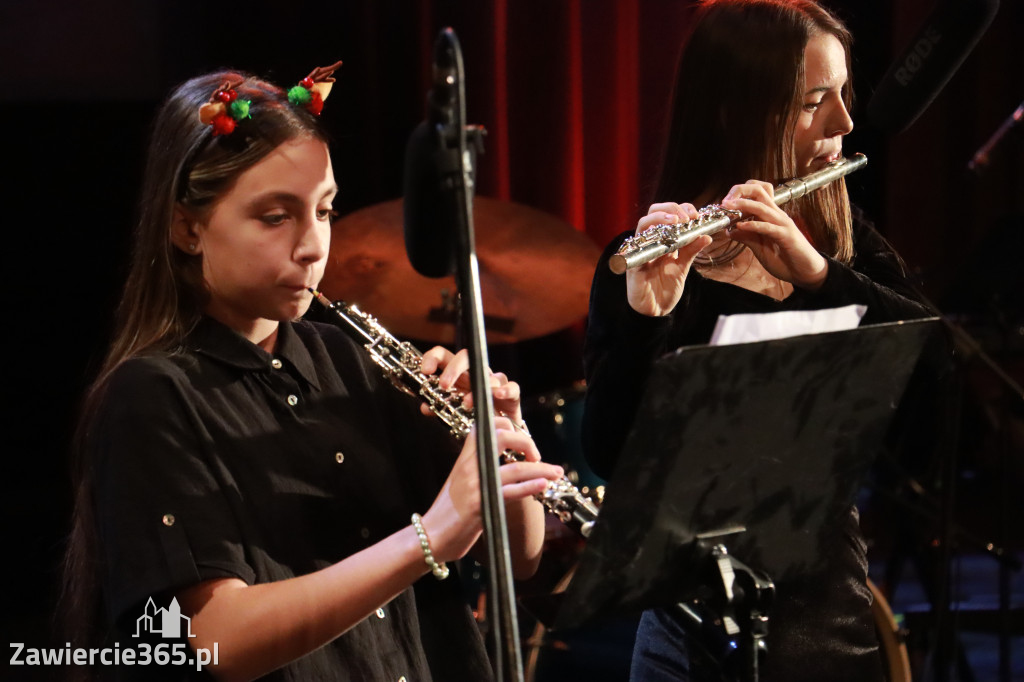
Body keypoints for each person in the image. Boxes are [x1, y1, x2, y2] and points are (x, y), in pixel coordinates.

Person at [62, 65, 564, 681]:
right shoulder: (151, 396)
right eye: (276, 217)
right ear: (187, 227)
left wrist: (498, 450)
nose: (313, 246)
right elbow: (215, 639)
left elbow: (518, 558)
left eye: (323, 211)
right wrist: (429, 537)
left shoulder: (353, 359)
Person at [582, 1, 938, 680]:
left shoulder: (845, 249)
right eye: (814, 102)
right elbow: (610, 455)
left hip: (827, 622)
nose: (845, 123)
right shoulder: (640, 266)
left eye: (844, 95)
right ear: (733, 112)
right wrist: (646, 323)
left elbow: (936, 393)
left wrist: (817, 275)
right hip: (688, 634)